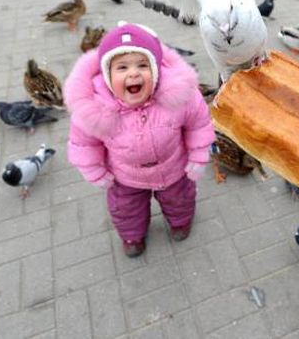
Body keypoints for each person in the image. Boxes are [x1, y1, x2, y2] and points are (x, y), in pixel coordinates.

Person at [64, 22, 215, 257]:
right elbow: (84, 144)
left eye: (142, 65)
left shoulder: (179, 96)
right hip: (125, 177)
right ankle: (132, 236)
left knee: (181, 199)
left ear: (156, 70)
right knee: (126, 210)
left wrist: (198, 156)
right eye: (122, 67)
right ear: (106, 76)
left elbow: (198, 123)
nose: (133, 73)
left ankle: (180, 222)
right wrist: (94, 171)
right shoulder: (94, 108)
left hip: (174, 170)